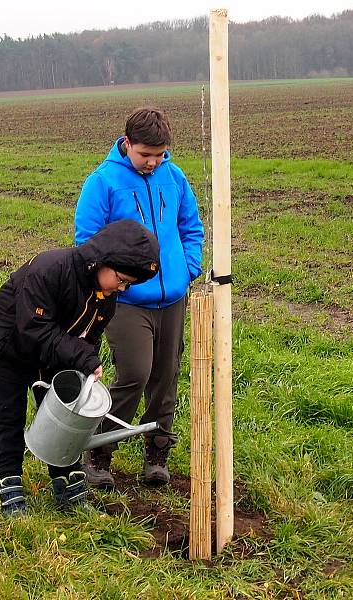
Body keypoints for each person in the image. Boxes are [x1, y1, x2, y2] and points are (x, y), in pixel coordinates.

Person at [0, 220, 160, 516]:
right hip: (7, 350)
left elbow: (90, 337)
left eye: (128, 285)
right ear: (102, 261)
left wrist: (85, 365)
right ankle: (9, 486)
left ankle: (69, 486)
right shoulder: (49, 270)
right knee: (6, 418)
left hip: (52, 355)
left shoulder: (106, 297)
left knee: (66, 419)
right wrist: (82, 357)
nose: (122, 288)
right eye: (122, 279)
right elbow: (33, 328)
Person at [74, 106, 204, 489]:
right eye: (145, 154)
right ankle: (99, 450)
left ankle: (158, 450)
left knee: (166, 376)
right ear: (126, 143)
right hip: (127, 301)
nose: (152, 162)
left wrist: (188, 269)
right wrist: (116, 282)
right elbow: (87, 242)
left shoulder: (174, 177)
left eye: (159, 154)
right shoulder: (103, 182)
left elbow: (190, 227)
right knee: (135, 373)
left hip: (173, 299)